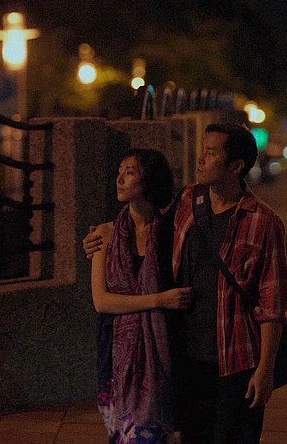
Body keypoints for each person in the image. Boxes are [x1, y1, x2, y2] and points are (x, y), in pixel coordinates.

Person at [86, 123, 287, 444]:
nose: (201, 159)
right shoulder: (187, 203)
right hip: (188, 357)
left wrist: (265, 370)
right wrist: (99, 239)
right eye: (202, 150)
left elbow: (272, 304)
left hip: (237, 358)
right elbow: (146, 232)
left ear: (236, 165)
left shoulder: (262, 222)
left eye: (211, 152)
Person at [90, 148, 193, 444]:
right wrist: (159, 300)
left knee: (154, 434)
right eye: (120, 171)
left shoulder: (171, 233)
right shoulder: (104, 234)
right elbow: (102, 301)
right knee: (121, 435)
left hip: (160, 344)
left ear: (149, 180)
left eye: (130, 172)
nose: (120, 179)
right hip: (114, 347)